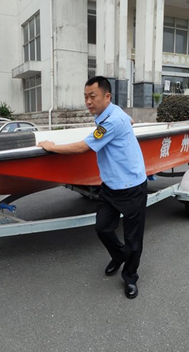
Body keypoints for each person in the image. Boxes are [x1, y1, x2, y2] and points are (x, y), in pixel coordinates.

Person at [38, 76, 147, 299]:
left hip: (132, 186)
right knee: (102, 228)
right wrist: (130, 121)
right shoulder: (112, 113)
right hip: (110, 186)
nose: (88, 101)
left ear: (107, 97)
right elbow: (127, 118)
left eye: (92, 96)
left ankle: (130, 277)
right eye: (85, 97)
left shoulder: (111, 122)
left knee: (133, 239)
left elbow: (81, 148)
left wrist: (52, 146)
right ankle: (119, 256)